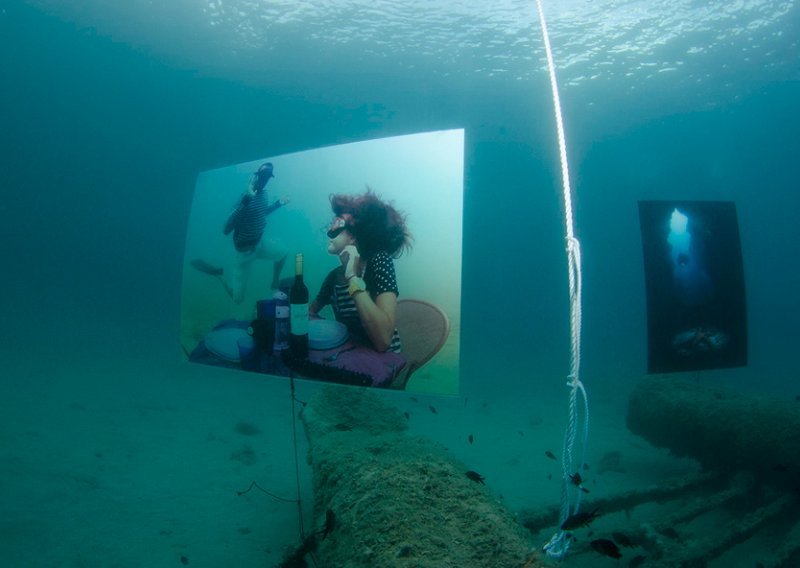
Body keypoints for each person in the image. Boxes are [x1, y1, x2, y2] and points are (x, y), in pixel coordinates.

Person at [310, 189, 412, 353]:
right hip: (351, 359)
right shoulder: (334, 277)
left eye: (338, 222)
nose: (330, 228)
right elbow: (309, 314)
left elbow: (383, 340)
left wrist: (352, 277)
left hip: (383, 366)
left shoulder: (379, 261)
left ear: (355, 235)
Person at [192, 162, 289, 303]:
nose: (265, 180)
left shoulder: (264, 194)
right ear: (255, 176)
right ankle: (218, 274)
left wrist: (278, 203)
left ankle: (274, 282)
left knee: (284, 252)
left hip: (259, 244)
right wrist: (247, 199)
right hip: (243, 255)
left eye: (268, 177)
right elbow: (226, 230)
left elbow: (261, 212)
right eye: (262, 176)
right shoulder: (244, 197)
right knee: (237, 300)